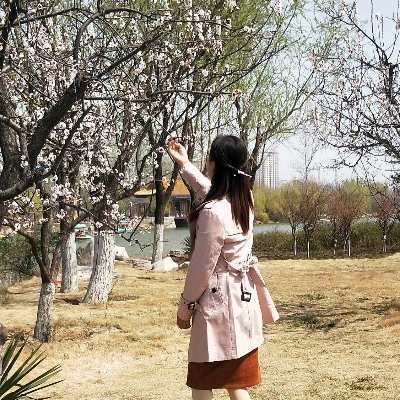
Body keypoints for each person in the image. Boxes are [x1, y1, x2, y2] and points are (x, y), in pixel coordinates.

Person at [166, 134, 279, 400]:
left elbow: (201, 268)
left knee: (202, 381)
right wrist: (185, 164)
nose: (207, 162)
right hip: (242, 300)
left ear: (216, 163)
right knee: (235, 382)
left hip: (217, 306)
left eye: (209, 158)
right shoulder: (244, 200)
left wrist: (184, 308)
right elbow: (211, 190)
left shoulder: (213, 213)